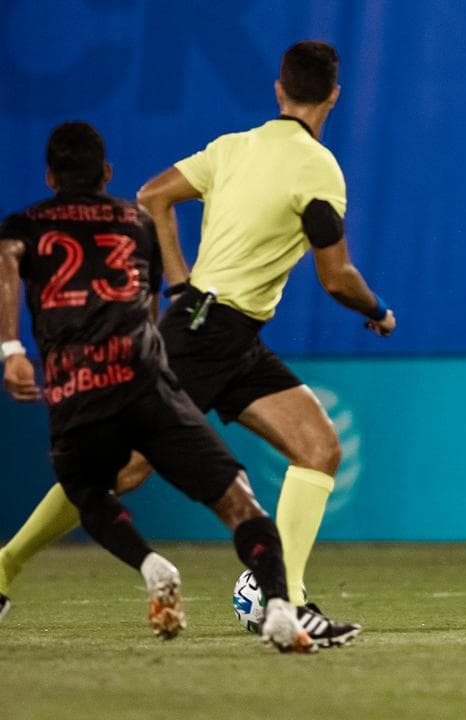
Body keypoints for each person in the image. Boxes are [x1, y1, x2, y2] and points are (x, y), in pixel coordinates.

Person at [0, 41, 392, 647]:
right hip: (205, 335)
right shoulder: (320, 168)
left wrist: (181, 281)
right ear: (334, 95)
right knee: (122, 473)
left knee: (318, 448)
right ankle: (6, 564)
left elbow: (152, 197)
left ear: (279, 90)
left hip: (230, 333)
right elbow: (336, 276)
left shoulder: (234, 147)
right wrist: (379, 311)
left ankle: (281, 595)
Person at [0, 121, 314, 651]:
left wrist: (11, 350)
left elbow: (7, 261)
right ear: (107, 173)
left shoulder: (25, 225)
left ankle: (150, 563)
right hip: (148, 381)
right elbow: (153, 301)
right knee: (241, 502)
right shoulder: (135, 221)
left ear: (49, 176)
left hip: (81, 389)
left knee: (90, 492)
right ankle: (282, 609)